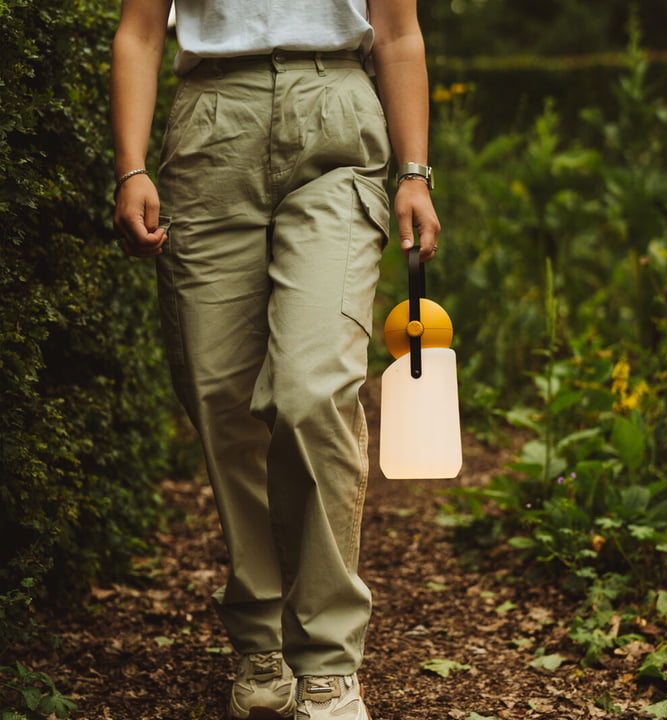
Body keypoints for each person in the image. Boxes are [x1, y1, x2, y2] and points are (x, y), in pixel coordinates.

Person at [111, 1, 440, 718]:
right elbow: (139, 30)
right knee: (220, 398)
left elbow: (396, 32)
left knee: (311, 387)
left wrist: (414, 172)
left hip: (337, 120)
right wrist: (130, 167)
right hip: (210, 125)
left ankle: (326, 661)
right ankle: (260, 638)